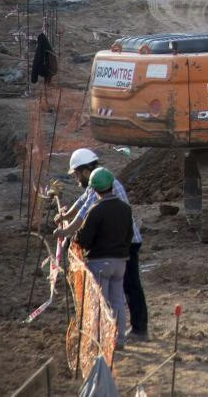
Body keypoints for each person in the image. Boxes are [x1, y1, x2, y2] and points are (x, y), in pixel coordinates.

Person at [57, 148, 149, 341]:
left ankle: (139, 330)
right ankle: (123, 333)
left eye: (76, 174)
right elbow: (82, 203)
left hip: (126, 242)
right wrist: (65, 216)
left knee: (130, 287)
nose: (76, 179)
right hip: (121, 240)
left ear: (84, 171)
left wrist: (65, 231)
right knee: (121, 289)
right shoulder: (99, 181)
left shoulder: (105, 184)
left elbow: (85, 214)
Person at [73, 167, 133, 349]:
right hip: (120, 262)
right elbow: (129, 235)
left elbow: (84, 239)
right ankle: (119, 340)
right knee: (118, 302)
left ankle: (101, 341)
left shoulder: (95, 210)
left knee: (100, 303)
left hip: (99, 263)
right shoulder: (125, 209)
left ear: (95, 189)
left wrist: (75, 236)